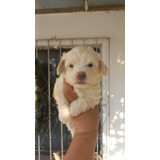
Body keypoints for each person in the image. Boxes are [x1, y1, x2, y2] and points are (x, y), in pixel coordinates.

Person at [53, 79, 100, 160]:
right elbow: (63, 91)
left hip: (86, 132)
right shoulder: (68, 82)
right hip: (84, 132)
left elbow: (57, 93)